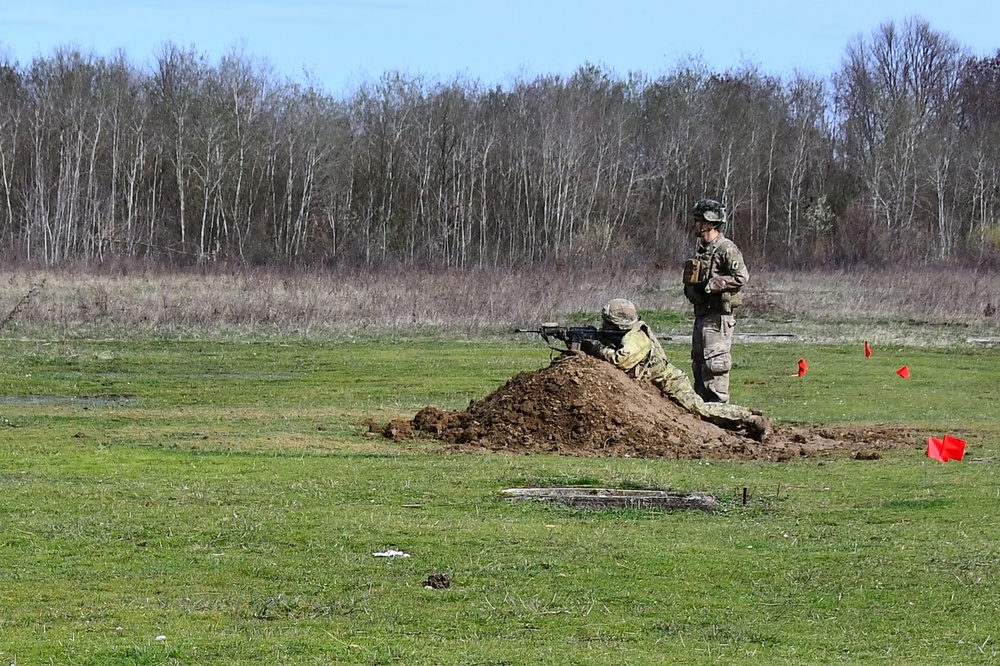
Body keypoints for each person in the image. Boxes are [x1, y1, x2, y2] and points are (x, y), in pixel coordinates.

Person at [580, 298, 770, 442]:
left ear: (619, 324)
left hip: (669, 381)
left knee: (699, 409)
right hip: (656, 385)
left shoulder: (636, 337)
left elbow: (621, 361)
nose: (604, 326)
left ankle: (749, 418)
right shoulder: (626, 333)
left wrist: (597, 349)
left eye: (608, 323)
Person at [682, 199, 748, 404]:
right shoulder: (703, 250)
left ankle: (720, 413)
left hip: (718, 318)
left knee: (715, 366)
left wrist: (711, 285)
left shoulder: (726, 249)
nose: (694, 225)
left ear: (710, 222)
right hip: (702, 315)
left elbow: (741, 277)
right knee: (699, 365)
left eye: (698, 220)